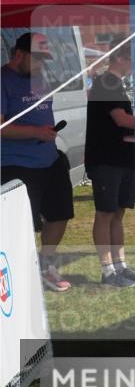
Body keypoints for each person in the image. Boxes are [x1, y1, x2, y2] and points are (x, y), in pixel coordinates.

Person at [0, 32, 75, 292]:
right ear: (19, 55)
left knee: (61, 214)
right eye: (38, 59)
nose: (42, 65)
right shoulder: (3, 80)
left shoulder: (40, 79)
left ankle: (45, 266)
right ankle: (20, 273)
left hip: (50, 159)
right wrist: (35, 133)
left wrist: (46, 136)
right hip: (16, 164)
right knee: (21, 224)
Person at [84, 39, 135, 286]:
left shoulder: (116, 84)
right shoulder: (105, 83)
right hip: (106, 159)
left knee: (118, 213)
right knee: (105, 214)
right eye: (131, 60)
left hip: (123, 157)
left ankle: (121, 265)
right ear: (121, 59)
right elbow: (121, 120)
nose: (133, 66)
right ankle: (108, 271)